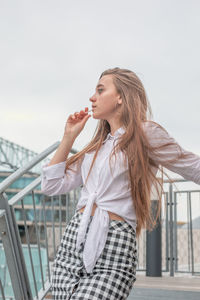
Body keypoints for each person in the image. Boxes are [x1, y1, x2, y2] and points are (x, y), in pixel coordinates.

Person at [41, 67, 200, 300]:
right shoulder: (95, 148)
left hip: (114, 244)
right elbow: (51, 185)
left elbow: (192, 166)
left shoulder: (145, 134)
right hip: (73, 243)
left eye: (100, 90)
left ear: (121, 97)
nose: (92, 97)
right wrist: (69, 137)